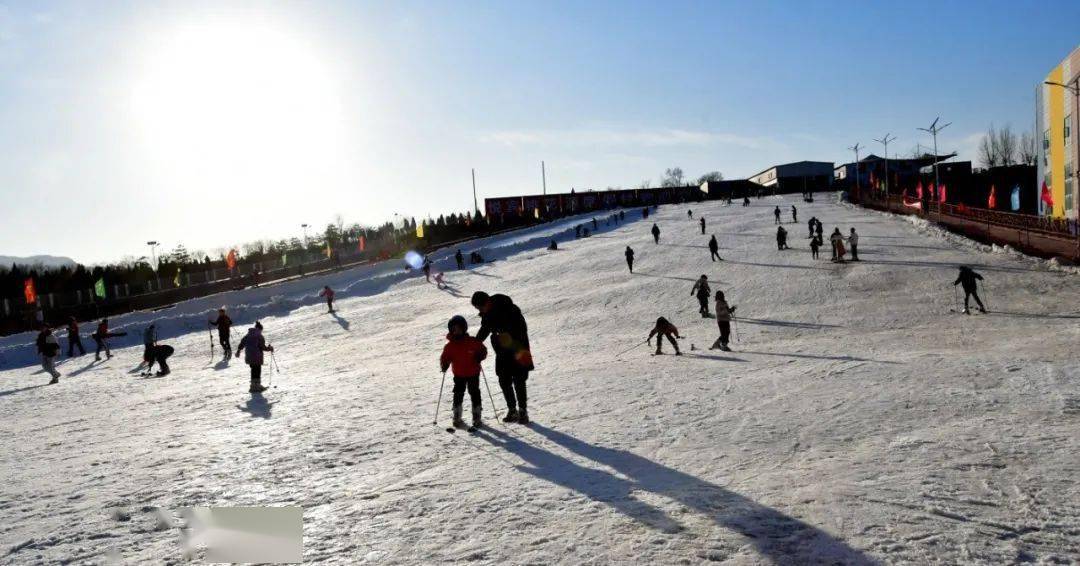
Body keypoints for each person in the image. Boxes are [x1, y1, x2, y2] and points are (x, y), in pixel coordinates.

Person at [471, 291, 533, 424]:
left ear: (487, 302)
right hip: (502, 351)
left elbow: (520, 329)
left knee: (519, 380)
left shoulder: (509, 309)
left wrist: (502, 334)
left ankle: (522, 411)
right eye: (477, 308)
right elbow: (485, 329)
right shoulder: (488, 314)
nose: (479, 310)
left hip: (518, 348)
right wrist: (475, 343)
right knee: (504, 380)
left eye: (479, 307)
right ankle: (512, 410)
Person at [440, 315, 488, 428]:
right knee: (458, 393)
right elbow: (445, 357)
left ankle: (477, 416)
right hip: (459, 374)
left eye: (459, 328)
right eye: (454, 329)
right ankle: (457, 416)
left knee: (474, 393)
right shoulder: (450, 346)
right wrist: (445, 364)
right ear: (451, 330)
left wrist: (479, 356)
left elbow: (483, 350)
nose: (457, 331)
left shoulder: (472, 342)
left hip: (473, 373)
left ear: (464, 328)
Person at [236, 321, 274, 393]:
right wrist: (270, 348)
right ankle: (257, 386)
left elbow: (242, 343)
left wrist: (238, 351)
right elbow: (263, 347)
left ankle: (253, 386)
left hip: (249, 356)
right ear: (260, 329)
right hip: (257, 356)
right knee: (257, 370)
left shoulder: (247, 335)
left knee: (253, 370)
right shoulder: (259, 336)